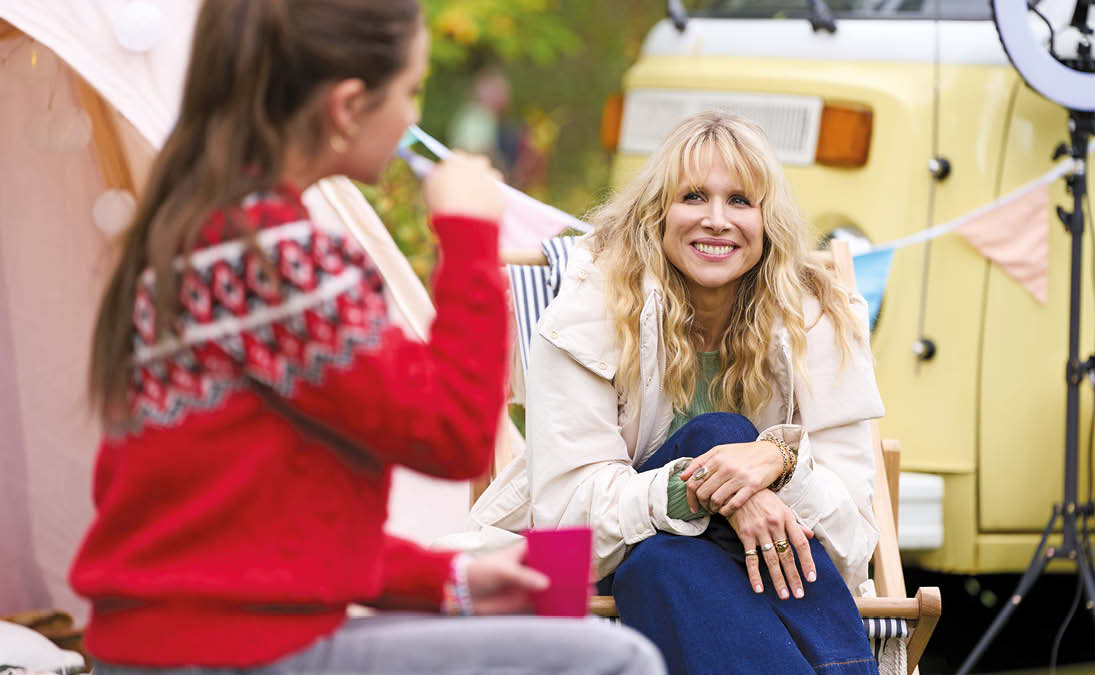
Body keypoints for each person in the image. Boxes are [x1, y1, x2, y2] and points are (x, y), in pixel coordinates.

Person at [70, 1, 664, 673]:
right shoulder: (284, 260)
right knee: (617, 660)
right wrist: (469, 234)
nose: (413, 118)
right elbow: (455, 435)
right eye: (410, 91)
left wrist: (448, 580)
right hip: (230, 654)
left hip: (160, 648)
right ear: (348, 106)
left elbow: (266, 533)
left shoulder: (190, 241)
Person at [470, 111, 884, 674]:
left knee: (664, 564)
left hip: (682, 574)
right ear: (657, 212)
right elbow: (570, 527)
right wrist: (709, 487)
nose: (717, 220)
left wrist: (779, 463)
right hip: (603, 558)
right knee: (720, 435)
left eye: (740, 201)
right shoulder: (591, 309)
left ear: (768, 220)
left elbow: (852, 545)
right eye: (693, 197)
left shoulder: (817, 318)